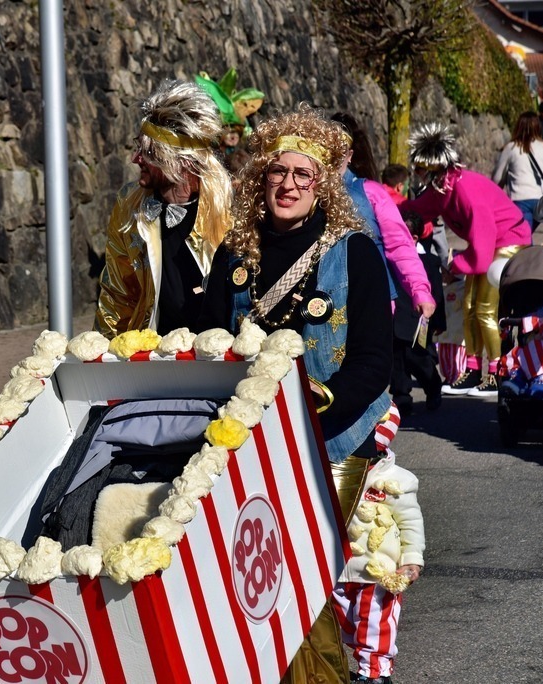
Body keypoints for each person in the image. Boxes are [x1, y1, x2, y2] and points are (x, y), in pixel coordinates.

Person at [199, 106, 392, 683]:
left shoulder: (353, 251)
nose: (288, 185)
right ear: (262, 178)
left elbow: (374, 362)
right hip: (249, 436)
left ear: (322, 185)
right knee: (255, 570)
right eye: (278, 173)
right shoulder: (236, 252)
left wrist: (318, 408)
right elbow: (207, 340)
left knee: (316, 569)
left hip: (331, 435)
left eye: (302, 176)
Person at [399, 123, 531, 397]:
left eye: (422, 171)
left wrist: (455, 265)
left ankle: (495, 373)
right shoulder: (443, 190)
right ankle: (472, 370)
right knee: (469, 305)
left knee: (484, 308)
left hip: (509, 240)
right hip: (488, 245)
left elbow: (481, 258)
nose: (417, 176)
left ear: (436, 170)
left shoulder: (466, 192)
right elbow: (415, 209)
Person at [94, 79, 232, 337]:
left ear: (181, 162)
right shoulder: (130, 205)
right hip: (151, 357)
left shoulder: (228, 208)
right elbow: (117, 293)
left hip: (216, 356)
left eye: (148, 153)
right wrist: (102, 358)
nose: (135, 159)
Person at [332, 406, 426, 684]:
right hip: (336, 566)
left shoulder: (395, 479)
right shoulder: (332, 468)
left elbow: (411, 522)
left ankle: (374, 672)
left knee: (374, 622)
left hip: (378, 571)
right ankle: (364, 658)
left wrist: (411, 558)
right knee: (345, 622)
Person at [332, 113, 437, 321]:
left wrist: (419, 289)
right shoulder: (305, 193)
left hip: (372, 300)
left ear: (350, 155)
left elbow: (399, 244)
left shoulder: (371, 193)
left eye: (339, 150)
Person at [389, 215, 445, 415]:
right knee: (396, 361)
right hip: (395, 318)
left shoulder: (428, 261)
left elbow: (437, 293)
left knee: (419, 359)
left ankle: (433, 387)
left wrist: (438, 321)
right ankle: (401, 396)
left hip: (418, 318)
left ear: (414, 237)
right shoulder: (388, 259)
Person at [492, 111, 543, 232]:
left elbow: (497, 178)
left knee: (523, 237)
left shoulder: (512, 147)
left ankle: (528, 250)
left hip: (520, 199)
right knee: (527, 233)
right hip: (542, 200)